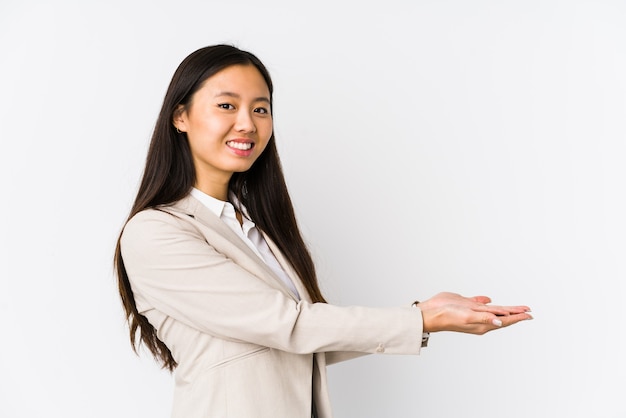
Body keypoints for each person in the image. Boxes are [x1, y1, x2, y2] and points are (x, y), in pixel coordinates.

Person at [114, 44, 532, 418]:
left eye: (261, 109)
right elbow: (289, 325)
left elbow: (305, 342)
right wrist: (420, 317)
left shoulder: (255, 230)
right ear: (180, 117)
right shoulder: (155, 232)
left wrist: (424, 316)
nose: (247, 123)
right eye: (227, 106)